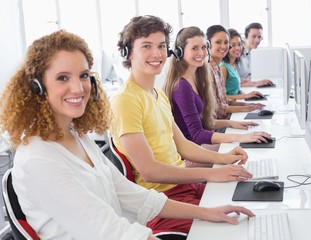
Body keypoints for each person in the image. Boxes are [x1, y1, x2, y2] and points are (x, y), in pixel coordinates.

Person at [0, 29, 255, 240]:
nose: (78, 88)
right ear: (36, 87)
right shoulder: (38, 160)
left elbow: (134, 195)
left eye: (84, 76)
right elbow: (109, 231)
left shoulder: (78, 138)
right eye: (62, 78)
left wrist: (208, 213)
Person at [110, 15, 255, 234]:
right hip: (164, 203)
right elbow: (149, 171)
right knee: (238, 231)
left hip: (186, 189)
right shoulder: (125, 101)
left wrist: (224, 160)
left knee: (247, 209)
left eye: (161, 46)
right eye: (146, 46)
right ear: (128, 52)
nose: (157, 54)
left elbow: (184, 146)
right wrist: (210, 173)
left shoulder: (156, 94)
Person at [164, 26, 271, 149]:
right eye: (194, 48)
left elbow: (205, 123)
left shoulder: (197, 78)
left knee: (246, 146)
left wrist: (233, 123)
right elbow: (197, 134)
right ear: (180, 52)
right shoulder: (182, 86)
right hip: (191, 153)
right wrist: (240, 137)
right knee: (242, 148)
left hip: (198, 147)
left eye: (204, 47)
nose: (201, 53)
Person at [206, 25, 264, 120]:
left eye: (226, 43)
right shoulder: (220, 68)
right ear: (208, 45)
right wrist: (246, 104)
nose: (224, 46)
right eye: (218, 42)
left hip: (227, 116)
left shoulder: (217, 68)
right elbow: (217, 108)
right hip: (223, 121)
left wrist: (248, 105)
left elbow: (223, 100)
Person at [220, 28, 265, 100]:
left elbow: (233, 90)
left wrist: (242, 93)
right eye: (233, 45)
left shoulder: (232, 65)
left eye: (239, 44)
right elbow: (221, 98)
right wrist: (245, 96)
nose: (238, 48)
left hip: (237, 103)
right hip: (231, 108)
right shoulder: (223, 68)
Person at [236, 22, 274, 87]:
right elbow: (232, 82)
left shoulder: (250, 52)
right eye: (253, 36)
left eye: (259, 37)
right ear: (246, 36)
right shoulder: (237, 52)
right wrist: (256, 83)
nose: (257, 40)